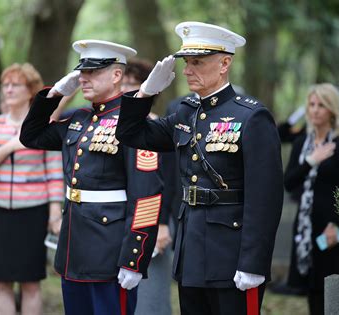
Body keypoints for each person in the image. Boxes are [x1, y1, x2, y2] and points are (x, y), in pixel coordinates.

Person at [116, 21, 283, 315]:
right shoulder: (185, 111)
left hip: (231, 254)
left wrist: (253, 262)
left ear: (224, 64)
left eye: (198, 62)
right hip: (191, 250)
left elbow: (265, 198)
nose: (188, 70)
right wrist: (145, 93)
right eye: (187, 63)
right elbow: (131, 134)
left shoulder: (251, 116)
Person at [20, 40, 163, 315]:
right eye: (81, 72)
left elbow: (146, 196)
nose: (83, 78)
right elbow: (31, 136)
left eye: (93, 72)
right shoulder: (79, 118)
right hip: (74, 248)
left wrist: (134, 258)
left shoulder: (133, 122)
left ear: (117, 75)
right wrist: (55, 94)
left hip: (110, 252)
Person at [0, 63, 64, 315]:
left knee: (31, 283)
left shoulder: (43, 126)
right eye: (5, 84)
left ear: (30, 90)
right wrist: (10, 146)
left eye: (15, 84)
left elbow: (55, 173)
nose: (8, 89)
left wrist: (55, 213)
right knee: (0, 281)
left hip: (33, 212)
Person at [284, 83, 339, 315]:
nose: (314, 110)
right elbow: (289, 182)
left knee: (333, 286)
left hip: (331, 228)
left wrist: (336, 224)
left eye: (321, 105)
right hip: (306, 229)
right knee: (312, 287)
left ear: (332, 110)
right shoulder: (300, 144)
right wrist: (311, 161)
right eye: (312, 105)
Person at [121, 58, 173, 315]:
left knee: (152, 289)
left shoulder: (158, 126)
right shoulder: (117, 126)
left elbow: (169, 179)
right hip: (123, 217)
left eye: (134, 83)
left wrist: (162, 223)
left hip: (154, 218)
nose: (127, 88)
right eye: (123, 82)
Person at [278, 106, 339, 180]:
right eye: (312, 105)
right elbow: (281, 134)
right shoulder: (305, 132)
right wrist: (297, 115)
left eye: (321, 105)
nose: (316, 110)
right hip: (299, 196)